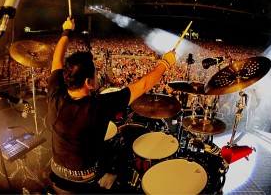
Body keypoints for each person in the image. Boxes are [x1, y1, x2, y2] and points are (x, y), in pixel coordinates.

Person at [47, 17, 176, 193]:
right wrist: (165, 63)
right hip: (83, 179)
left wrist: (66, 31)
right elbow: (143, 85)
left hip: (56, 171)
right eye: (95, 74)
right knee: (121, 151)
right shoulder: (98, 106)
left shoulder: (55, 93)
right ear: (88, 82)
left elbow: (56, 59)